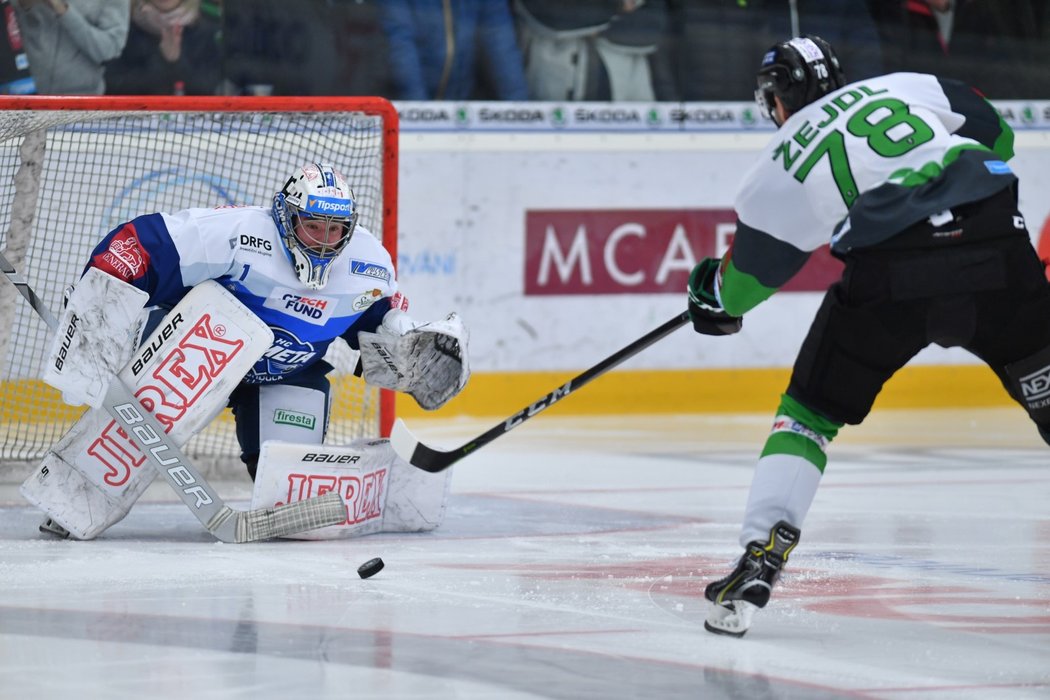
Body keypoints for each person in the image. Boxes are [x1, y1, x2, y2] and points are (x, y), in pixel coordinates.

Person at [687, 35, 1050, 637]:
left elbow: (746, 284)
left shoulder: (778, 159)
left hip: (893, 276)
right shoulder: (904, 85)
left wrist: (709, 295)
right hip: (996, 248)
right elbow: (999, 135)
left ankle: (760, 555)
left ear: (778, 100)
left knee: (807, 414)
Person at [36, 162, 470, 538]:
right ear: (285, 216)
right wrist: (98, 308)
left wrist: (406, 342)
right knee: (136, 428)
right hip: (196, 352)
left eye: (335, 230)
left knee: (294, 500)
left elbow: (372, 323)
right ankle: (76, 496)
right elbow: (138, 244)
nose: (323, 241)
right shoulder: (237, 234)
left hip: (285, 372)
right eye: (313, 226)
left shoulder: (367, 263)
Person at [513, 0, 673, 101]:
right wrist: (618, 6)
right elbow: (550, 15)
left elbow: (654, 25)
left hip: (626, 82)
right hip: (557, 82)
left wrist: (593, 15)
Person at [379, 0, 528, 100]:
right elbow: (400, 46)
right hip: (403, 106)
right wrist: (420, 111)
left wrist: (520, 111)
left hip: (458, 104)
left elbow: (502, 47)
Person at [105, 0, 224, 96]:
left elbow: (208, 88)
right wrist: (162, 60)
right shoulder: (122, 26)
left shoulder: (207, 26)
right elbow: (113, 85)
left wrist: (176, 61)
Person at [12, 0, 130, 94]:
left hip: (80, 101)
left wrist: (64, 11)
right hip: (21, 96)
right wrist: (22, 5)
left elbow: (109, 50)